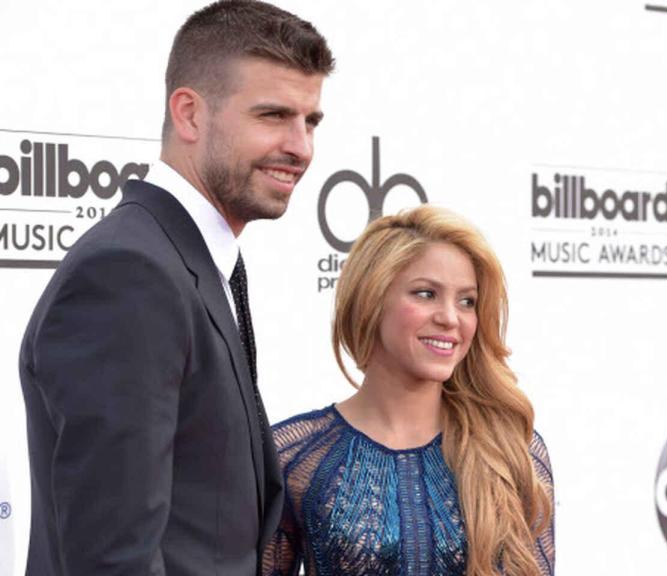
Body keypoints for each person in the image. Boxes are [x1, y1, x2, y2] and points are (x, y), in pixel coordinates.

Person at [18, 2, 333, 574]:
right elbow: (113, 556)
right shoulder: (128, 274)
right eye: (273, 115)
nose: (301, 147)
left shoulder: (184, 259)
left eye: (310, 121)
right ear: (189, 113)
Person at [263, 206, 555, 576]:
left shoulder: (512, 451)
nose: (451, 317)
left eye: (467, 301)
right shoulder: (296, 454)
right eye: (426, 294)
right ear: (371, 299)